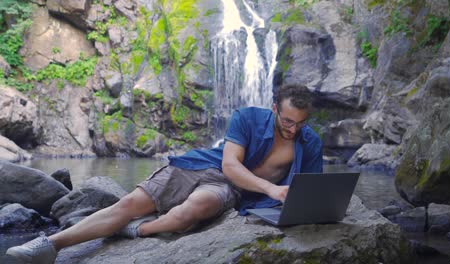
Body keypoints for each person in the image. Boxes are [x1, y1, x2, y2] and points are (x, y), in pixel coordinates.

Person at [6, 84, 323, 263]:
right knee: (127, 206)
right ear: (274, 110)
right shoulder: (247, 117)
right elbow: (229, 165)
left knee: (194, 211)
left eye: (300, 123)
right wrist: (271, 189)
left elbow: (311, 190)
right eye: (287, 122)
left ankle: (131, 231)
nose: (293, 129)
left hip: (232, 190)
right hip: (200, 166)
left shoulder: (309, 143)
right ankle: (50, 245)